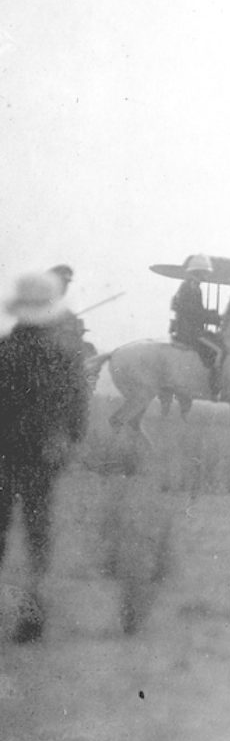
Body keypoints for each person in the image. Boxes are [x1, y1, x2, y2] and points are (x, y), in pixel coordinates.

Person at [0, 272, 89, 643]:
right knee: (39, 538)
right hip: (44, 460)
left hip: (4, 455)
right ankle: (32, 617)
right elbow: (79, 416)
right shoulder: (65, 357)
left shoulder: (4, 350)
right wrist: (63, 443)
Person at [170, 254, 222, 399]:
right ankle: (214, 388)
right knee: (217, 351)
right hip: (189, 332)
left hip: (190, 329)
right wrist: (213, 317)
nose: (206, 275)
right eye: (205, 272)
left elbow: (195, 310)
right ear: (198, 272)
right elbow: (192, 312)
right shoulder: (191, 287)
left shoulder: (190, 285)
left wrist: (212, 315)